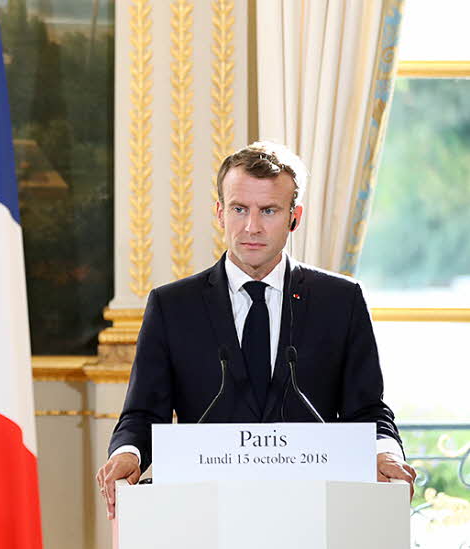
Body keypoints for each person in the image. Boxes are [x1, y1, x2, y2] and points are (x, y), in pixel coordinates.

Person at [96, 142, 416, 518]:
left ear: (294, 217)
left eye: (268, 211)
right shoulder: (172, 306)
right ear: (219, 213)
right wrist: (127, 454)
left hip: (315, 514)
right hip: (204, 514)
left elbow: (368, 410)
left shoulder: (341, 300)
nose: (252, 226)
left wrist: (386, 453)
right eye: (238, 209)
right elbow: (142, 415)